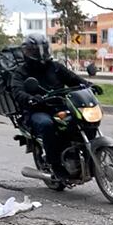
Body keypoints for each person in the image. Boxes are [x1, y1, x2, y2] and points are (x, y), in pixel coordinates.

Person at [9, 33, 102, 180]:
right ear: (27, 52)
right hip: (37, 110)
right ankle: (56, 165)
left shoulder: (56, 67)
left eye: (43, 49)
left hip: (60, 106)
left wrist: (89, 85)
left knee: (83, 120)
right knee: (47, 125)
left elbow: (73, 79)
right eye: (35, 51)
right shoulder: (22, 72)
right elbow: (17, 91)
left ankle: (80, 155)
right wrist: (31, 99)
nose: (41, 54)